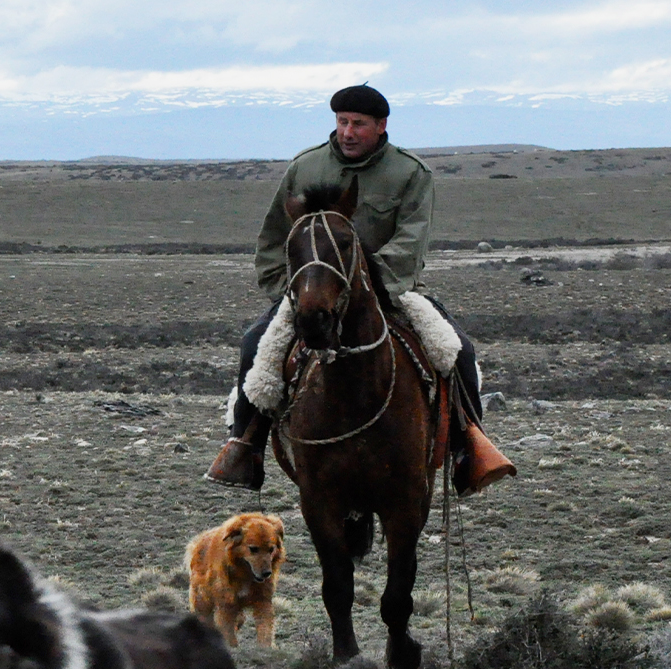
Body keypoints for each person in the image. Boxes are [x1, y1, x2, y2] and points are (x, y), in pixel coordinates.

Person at [205, 84, 510, 494]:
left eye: (359, 124)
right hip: (312, 293)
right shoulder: (305, 167)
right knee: (253, 346)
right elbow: (275, 238)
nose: (348, 132)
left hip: (389, 290)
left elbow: (410, 239)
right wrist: (291, 289)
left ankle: (467, 449)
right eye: (342, 122)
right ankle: (246, 447)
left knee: (456, 349)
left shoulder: (410, 173)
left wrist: (368, 286)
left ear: (381, 126)